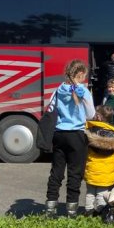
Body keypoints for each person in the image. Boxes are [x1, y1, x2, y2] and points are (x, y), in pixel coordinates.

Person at [45, 59, 95, 218]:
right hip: (77, 135)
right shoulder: (84, 91)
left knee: (56, 172)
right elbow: (91, 114)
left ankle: (50, 208)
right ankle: (71, 212)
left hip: (59, 134)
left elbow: (50, 109)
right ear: (80, 75)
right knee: (75, 173)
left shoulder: (58, 90)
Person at [84, 105, 114, 216]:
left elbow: (84, 149)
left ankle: (88, 212)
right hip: (107, 171)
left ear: (98, 117)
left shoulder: (88, 130)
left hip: (91, 169)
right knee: (102, 193)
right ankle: (102, 212)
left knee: (90, 193)